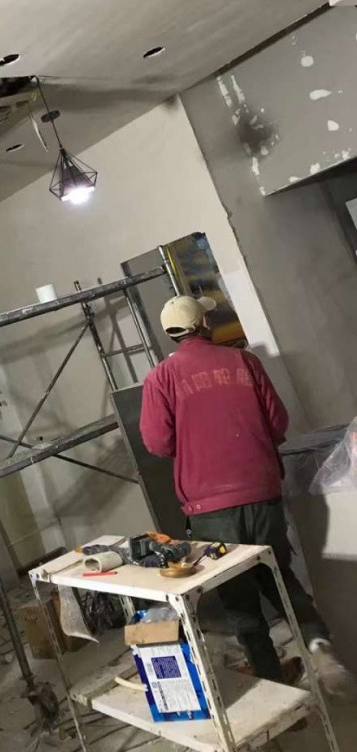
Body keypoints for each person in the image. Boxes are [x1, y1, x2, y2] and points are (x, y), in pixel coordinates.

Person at [140, 294, 354, 699]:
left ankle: (275, 690)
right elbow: (278, 422)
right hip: (261, 492)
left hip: (209, 508)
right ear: (204, 323)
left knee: (239, 600)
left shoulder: (160, 378)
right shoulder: (244, 362)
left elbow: (157, 442)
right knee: (278, 574)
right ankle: (318, 645)